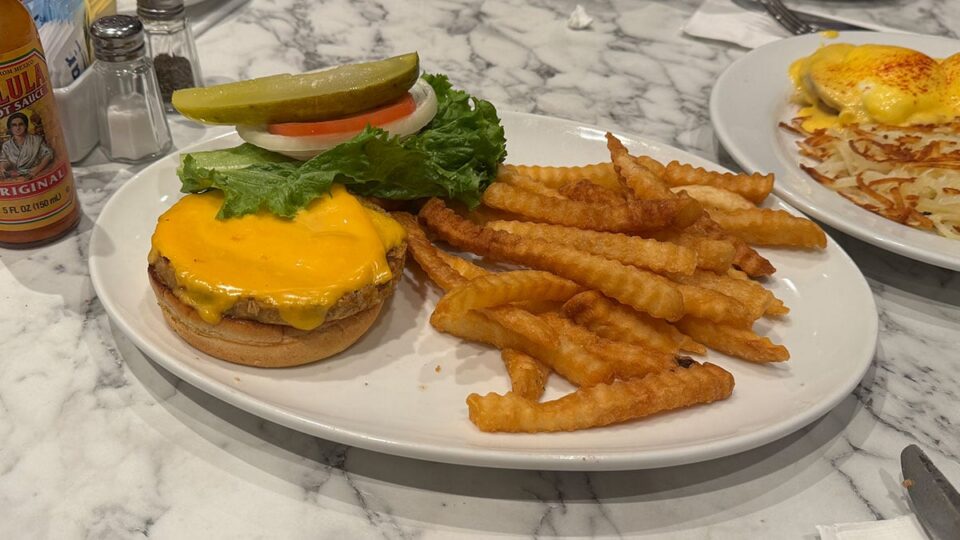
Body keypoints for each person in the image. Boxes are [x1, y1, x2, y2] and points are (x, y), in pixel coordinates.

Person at [0, 112, 54, 179]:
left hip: (37, 173)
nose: (18, 128)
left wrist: (35, 172)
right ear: (10, 128)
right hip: (15, 176)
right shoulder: (6, 145)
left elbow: (48, 154)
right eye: (14, 125)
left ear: (25, 126)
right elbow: (5, 160)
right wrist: (2, 168)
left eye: (21, 124)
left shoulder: (36, 140)